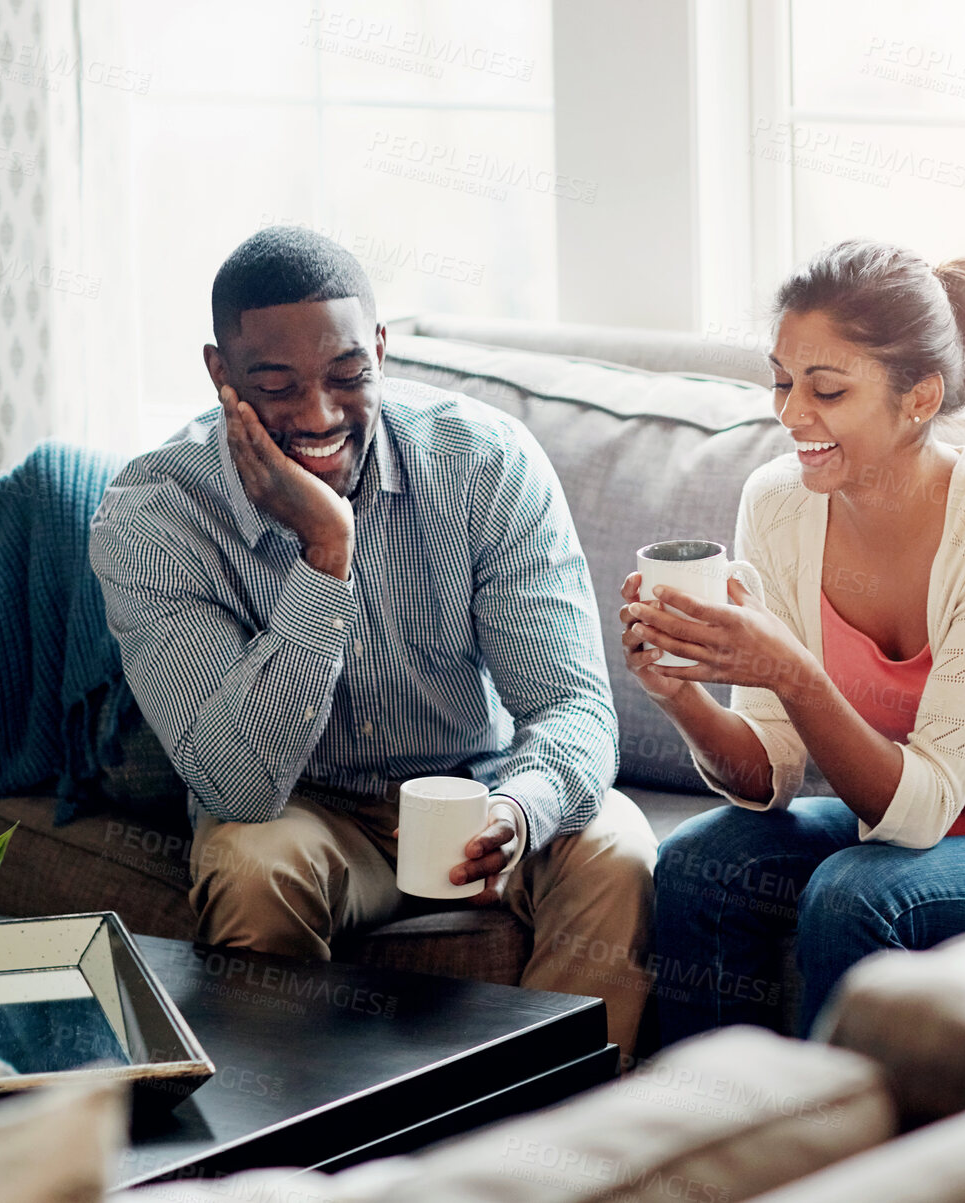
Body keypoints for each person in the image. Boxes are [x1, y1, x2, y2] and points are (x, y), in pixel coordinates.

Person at [90, 227, 656, 1057]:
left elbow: (572, 706)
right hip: (301, 806)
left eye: (348, 377)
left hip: (476, 788)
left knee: (615, 845)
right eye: (275, 386)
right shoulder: (154, 517)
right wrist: (327, 555)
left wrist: (518, 808)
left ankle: (560, 1146)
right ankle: (296, 1159)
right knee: (252, 866)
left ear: (381, 350)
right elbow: (240, 788)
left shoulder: (484, 462)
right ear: (220, 374)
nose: (318, 416)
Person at [623, 239, 965, 1044]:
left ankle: (834, 1150)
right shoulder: (778, 501)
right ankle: (709, 1132)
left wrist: (789, 668)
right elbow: (767, 775)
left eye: (827, 390)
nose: (789, 414)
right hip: (901, 827)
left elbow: (916, 813)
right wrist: (681, 696)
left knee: (856, 892)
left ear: (919, 399)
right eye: (780, 381)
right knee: (701, 863)